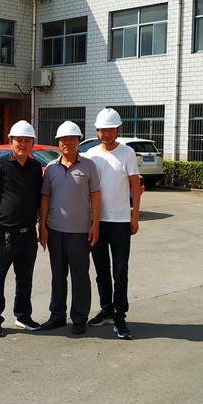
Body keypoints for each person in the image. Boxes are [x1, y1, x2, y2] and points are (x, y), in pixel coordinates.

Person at [0, 120, 43, 337]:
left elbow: (39, 200)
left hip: (28, 233)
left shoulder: (35, 168)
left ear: (32, 143)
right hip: (3, 233)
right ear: (10, 142)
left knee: (25, 279)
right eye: (19, 140)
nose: (23, 144)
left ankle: (23, 316)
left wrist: (42, 227)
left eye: (27, 140)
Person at [39, 121, 101, 335]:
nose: (67, 142)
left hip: (80, 232)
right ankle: (57, 315)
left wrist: (95, 224)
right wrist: (42, 226)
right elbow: (45, 197)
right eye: (63, 139)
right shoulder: (51, 168)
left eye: (72, 139)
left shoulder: (89, 166)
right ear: (58, 143)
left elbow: (95, 196)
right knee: (58, 275)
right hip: (55, 230)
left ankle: (79, 318)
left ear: (78, 142)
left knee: (80, 276)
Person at [84, 108, 141, 339]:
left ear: (117, 130)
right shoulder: (91, 154)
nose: (105, 134)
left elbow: (135, 186)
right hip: (96, 222)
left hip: (120, 222)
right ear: (97, 131)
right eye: (101, 130)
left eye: (110, 130)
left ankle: (120, 316)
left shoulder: (127, 153)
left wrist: (134, 216)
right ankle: (106, 309)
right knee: (101, 270)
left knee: (120, 271)